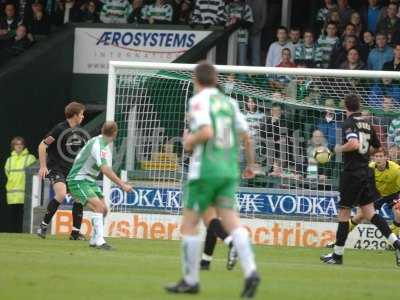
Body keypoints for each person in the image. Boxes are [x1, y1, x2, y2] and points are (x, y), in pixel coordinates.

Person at [165, 62, 260, 297]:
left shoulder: (198, 101)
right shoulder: (229, 103)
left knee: (189, 225)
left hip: (205, 170)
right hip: (229, 169)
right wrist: (250, 165)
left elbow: (206, 132)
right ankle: (251, 271)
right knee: (231, 220)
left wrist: (188, 142)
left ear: (196, 81)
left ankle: (190, 280)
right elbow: (247, 138)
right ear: (216, 80)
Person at [320, 94, 400, 265]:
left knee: (344, 213)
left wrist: (337, 149)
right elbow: (378, 148)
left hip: (352, 173)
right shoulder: (367, 124)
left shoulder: (349, 123)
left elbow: (354, 144)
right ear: (359, 106)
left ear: (345, 106)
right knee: (370, 213)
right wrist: (364, 153)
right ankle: (397, 243)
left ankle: (337, 255)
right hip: (366, 171)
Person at [67, 121, 132, 250]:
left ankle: (94, 240)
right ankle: (100, 242)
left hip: (88, 181)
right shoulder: (99, 145)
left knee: (104, 210)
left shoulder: (101, 142)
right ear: (115, 134)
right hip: (78, 180)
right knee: (98, 207)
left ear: (102, 129)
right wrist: (122, 185)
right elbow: (105, 169)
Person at [326, 147, 400, 247]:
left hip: (393, 193)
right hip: (376, 194)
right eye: (376, 156)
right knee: (359, 216)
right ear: (373, 158)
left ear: (386, 157)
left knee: (398, 212)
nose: (378, 159)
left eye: (381, 156)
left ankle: (393, 242)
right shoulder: (370, 168)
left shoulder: (396, 169)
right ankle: (337, 241)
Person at [37, 102, 88, 240]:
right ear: (75, 115)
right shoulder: (60, 129)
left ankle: (75, 233)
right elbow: (42, 145)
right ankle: (42, 226)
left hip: (71, 171)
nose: (83, 116)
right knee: (61, 193)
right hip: (56, 168)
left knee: (79, 197)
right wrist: (43, 166)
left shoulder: (80, 132)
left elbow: (85, 151)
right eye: (81, 114)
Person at [4, 137, 36, 233]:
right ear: (13, 146)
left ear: (24, 146)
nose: (18, 146)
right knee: (13, 217)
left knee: (24, 218)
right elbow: (7, 174)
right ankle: (13, 234)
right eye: (16, 144)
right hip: (12, 195)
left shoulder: (30, 158)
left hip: (25, 195)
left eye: (20, 144)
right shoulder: (9, 160)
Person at [225, 0, 254, 66]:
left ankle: (242, 76)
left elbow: (250, 23)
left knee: (242, 62)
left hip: (242, 39)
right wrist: (230, 22)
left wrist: (238, 21)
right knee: (230, 61)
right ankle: (231, 76)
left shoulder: (246, 7)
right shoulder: (227, 7)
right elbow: (223, 22)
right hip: (229, 39)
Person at [248, 0, 266, 66]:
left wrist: (258, 29)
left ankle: (256, 74)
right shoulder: (247, 1)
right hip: (244, 32)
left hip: (256, 31)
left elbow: (264, 18)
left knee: (255, 53)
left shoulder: (262, 1)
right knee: (243, 54)